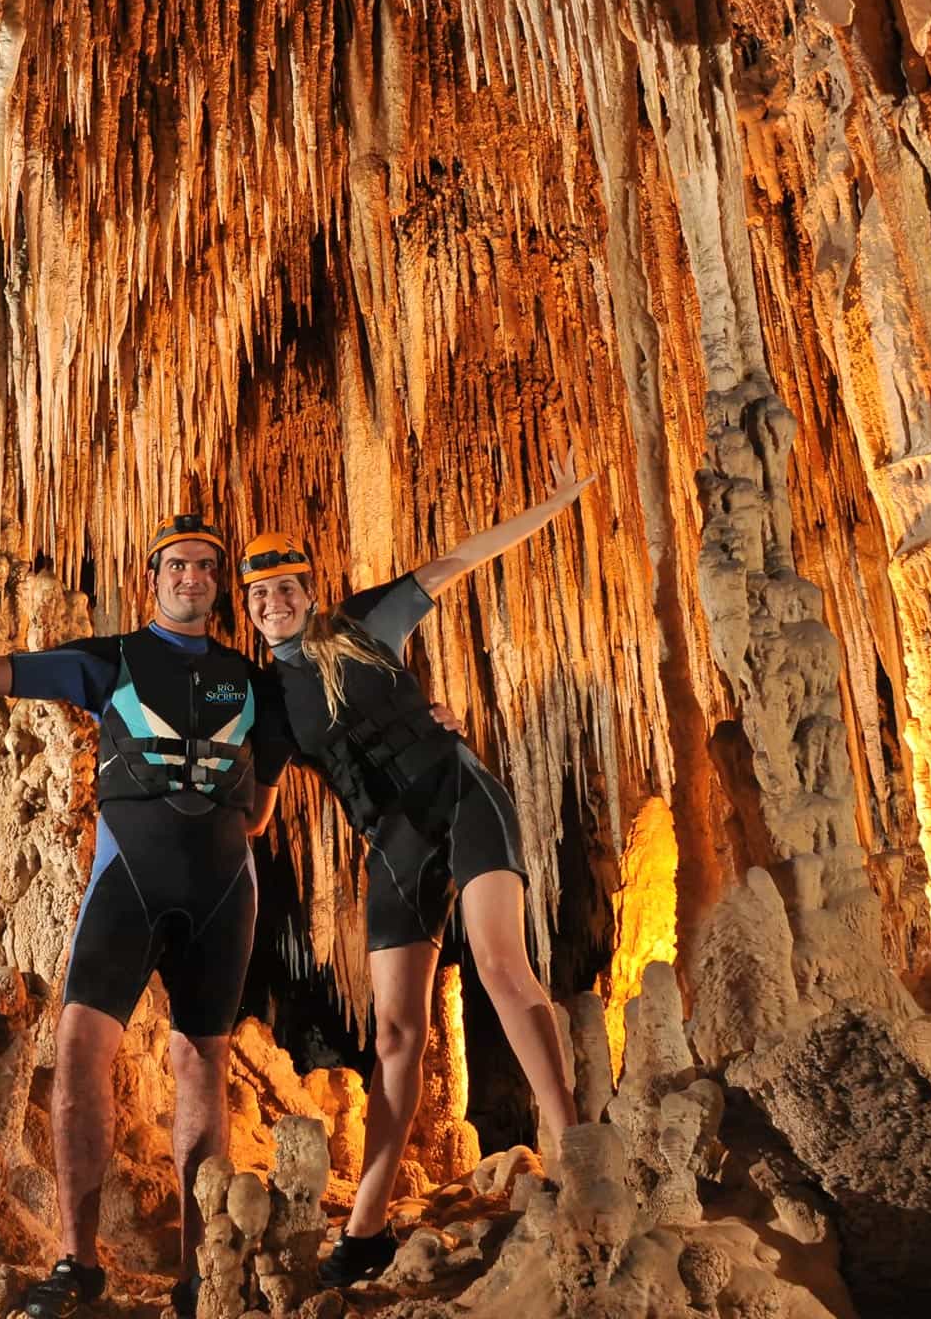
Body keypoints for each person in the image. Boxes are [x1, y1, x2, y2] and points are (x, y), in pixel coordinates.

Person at [0, 515, 290, 1319]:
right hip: (129, 884)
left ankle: (203, 1273)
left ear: (220, 585)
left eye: (207, 568)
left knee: (201, 1066)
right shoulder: (113, 661)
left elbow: (264, 809)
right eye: (178, 566)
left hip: (221, 894)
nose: (193, 578)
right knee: (76, 1055)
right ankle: (80, 1263)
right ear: (154, 576)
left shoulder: (253, 682)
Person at [238, 455, 593, 1286]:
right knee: (396, 1034)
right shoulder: (268, 703)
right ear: (250, 611)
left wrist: (556, 499)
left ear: (308, 589)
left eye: (286, 587)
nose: (274, 603)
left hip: (460, 798)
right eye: (259, 597)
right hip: (390, 845)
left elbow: (464, 557)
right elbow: (254, 814)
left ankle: (577, 1148)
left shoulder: (364, 624)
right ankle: (363, 1230)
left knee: (503, 969)